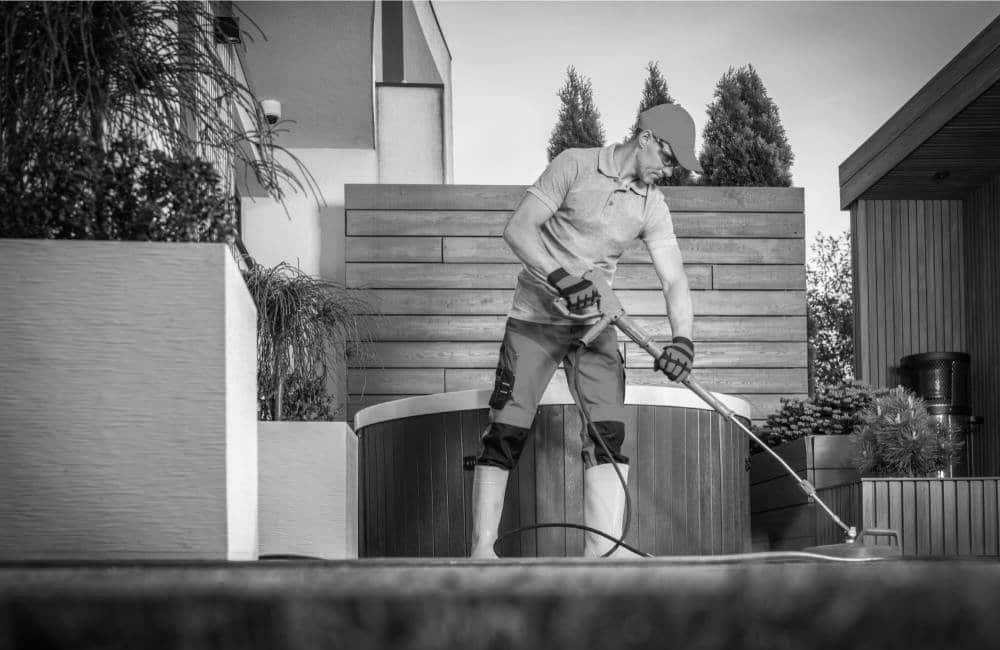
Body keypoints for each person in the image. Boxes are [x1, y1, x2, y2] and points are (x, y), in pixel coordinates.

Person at [469, 103, 702, 559]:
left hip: (595, 326)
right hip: (534, 320)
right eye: (670, 159)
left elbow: (674, 279)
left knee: (608, 431)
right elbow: (518, 229)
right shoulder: (574, 164)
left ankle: (603, 551)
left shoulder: (651, 204)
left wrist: (683, 341)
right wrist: (560, 279)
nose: (669, 171)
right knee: (506, 429)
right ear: (647, 137)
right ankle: (480, 550)